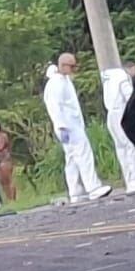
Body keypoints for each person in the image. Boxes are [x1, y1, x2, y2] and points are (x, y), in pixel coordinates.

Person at [45, 53, 112, 202]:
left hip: (72, 124)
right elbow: (54, 107)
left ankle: (75, 191)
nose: (74, 69)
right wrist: (61, 126)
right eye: (72, 66)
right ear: (63, 65)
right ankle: (93, 188)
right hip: (68, 126)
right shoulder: (55, 83)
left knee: (72, 159)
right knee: (84, 155)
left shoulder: (64, 80)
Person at [103, 60, 135, 193]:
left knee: (121, 149)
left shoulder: (108, 77)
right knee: (133, 146)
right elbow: (129, 96)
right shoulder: (123, 77)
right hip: (123, 112)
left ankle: (130, 182)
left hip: (111, 114)